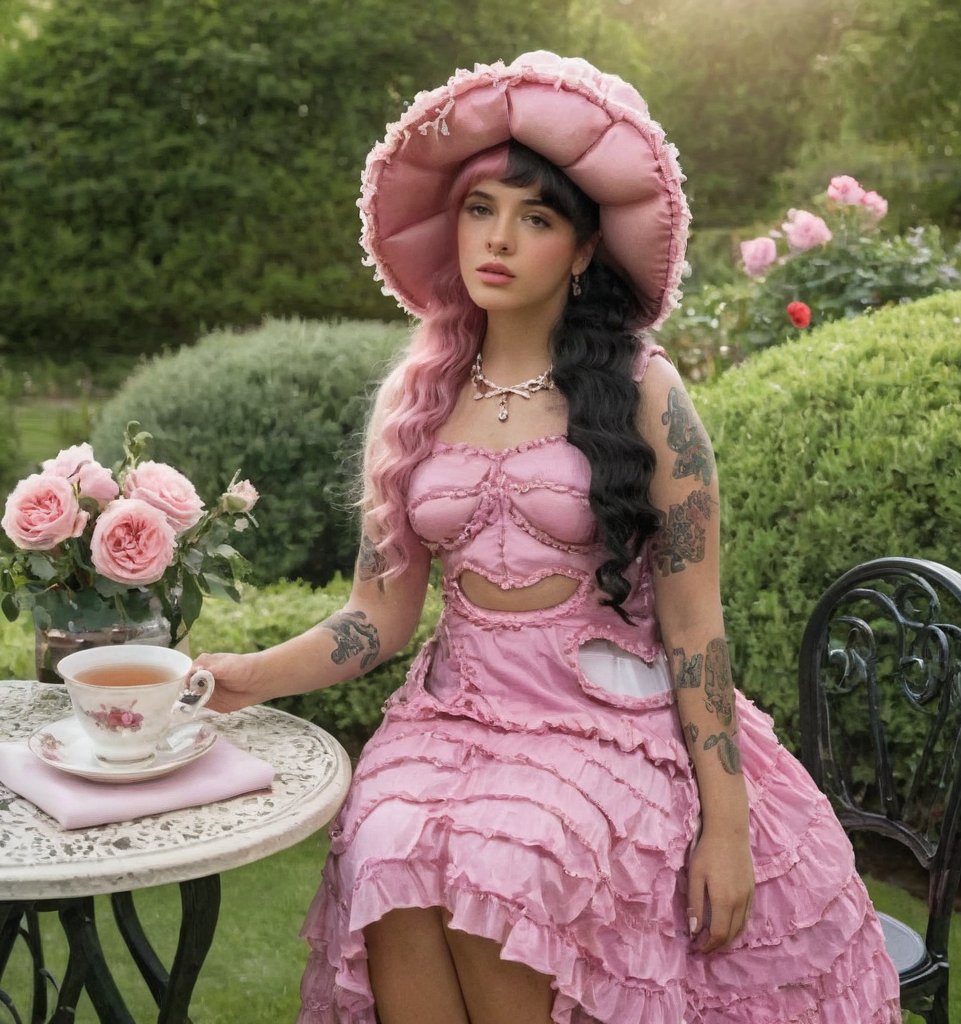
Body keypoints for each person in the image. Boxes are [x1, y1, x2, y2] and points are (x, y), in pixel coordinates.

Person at [195, 52, 901, 1024]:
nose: (499, 237)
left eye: (535, 218)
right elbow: (376, 615)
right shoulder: (415, 400)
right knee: (385, 841)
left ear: (579, 251)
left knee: (512, 864)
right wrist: (249, 674)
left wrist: (725, 822)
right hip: (454, 719)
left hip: (606, 720)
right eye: (480, 209)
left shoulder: (648, 394)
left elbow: (695, 629)